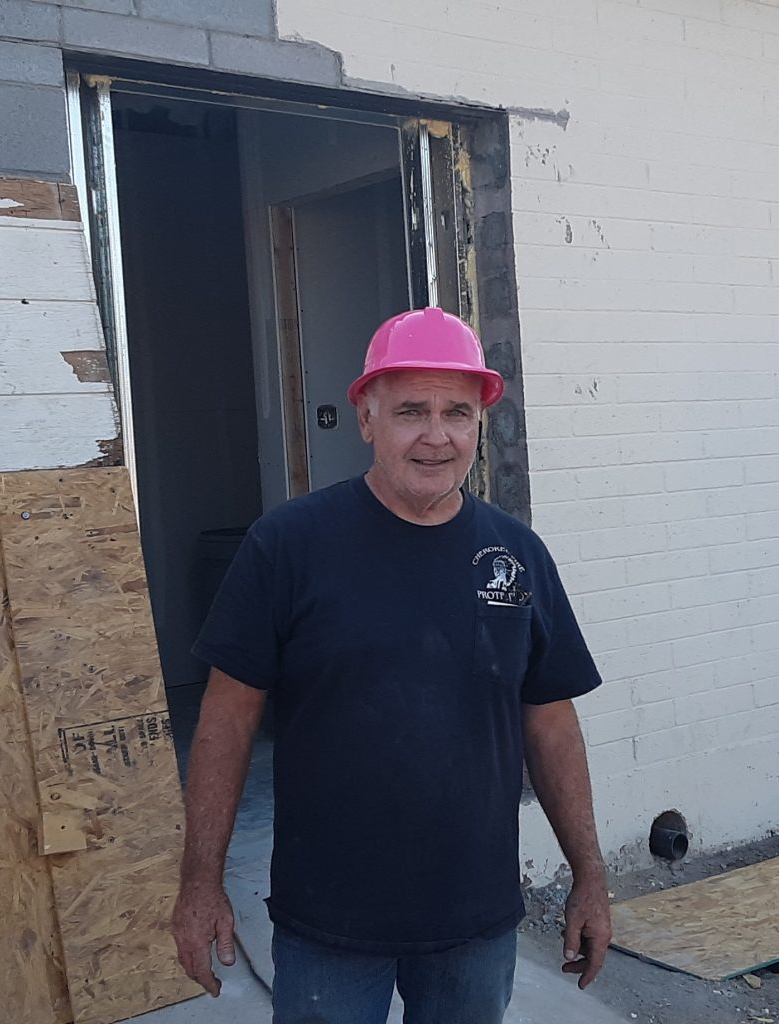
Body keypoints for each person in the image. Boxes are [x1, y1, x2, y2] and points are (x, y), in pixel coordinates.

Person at [171, 307, 611, 1024]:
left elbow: (552, 721)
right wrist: (200, 883)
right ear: (367, 417)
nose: (436, 436)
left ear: (479, 424)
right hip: (328, 922)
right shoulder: (287, 546)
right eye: (411, 410)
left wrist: (589, 877)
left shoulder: (515, 557)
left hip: (475, 920)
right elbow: (224, 721)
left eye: (457, 413)